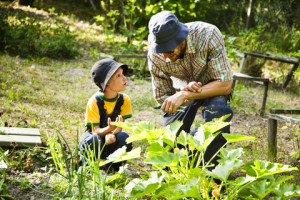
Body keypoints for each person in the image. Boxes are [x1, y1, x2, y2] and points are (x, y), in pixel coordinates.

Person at [147, 11, 233, 167]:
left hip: (213, 87)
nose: (165, 56)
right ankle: (191, 151)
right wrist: (184, 95)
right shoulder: (155, 54)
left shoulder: (208, 34)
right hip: (180, 93)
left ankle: (213, 174)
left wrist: (186, 93)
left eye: (169, 50)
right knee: (169, 151)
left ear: (181, 38)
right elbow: (162, 97)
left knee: (218, 111)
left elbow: (225, 85)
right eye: (161, 50)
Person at [79, 58, 133, 172]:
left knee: (125, 138)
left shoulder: (124, 100)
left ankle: (114, 167)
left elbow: (120, 126)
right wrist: (109, 129)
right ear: (107, 83)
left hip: (112, 139)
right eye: (118, 76)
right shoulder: (94, 101)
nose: (124, 78)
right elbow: (95, 130)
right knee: (92, 140)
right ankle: (87, 166)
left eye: (123, 74)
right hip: (95, 139)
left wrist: (112, 132)